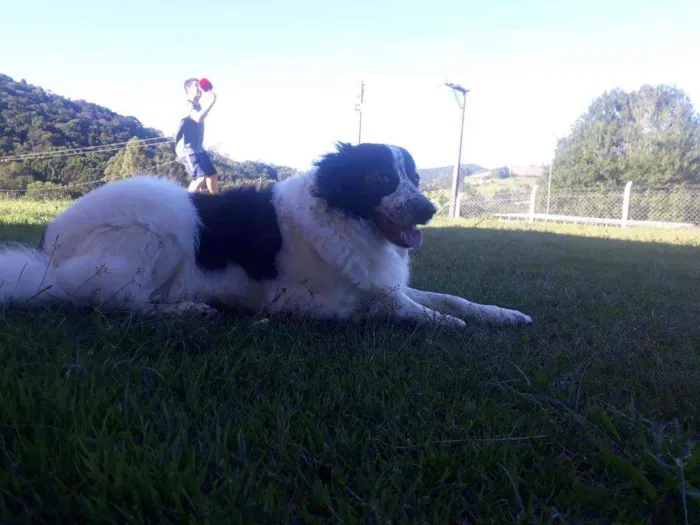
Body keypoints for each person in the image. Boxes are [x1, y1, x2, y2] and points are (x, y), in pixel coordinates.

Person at [174, 78, 218, 193]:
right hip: (187, 149)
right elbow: (198, 118)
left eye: (200, 86)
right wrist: (212, 102)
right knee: (200, 178)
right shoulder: (187, 105)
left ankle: (217, 203)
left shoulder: (198, 106)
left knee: (212, 175)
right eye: (196, 86)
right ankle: (186, 204)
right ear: (189, 90)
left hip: (198, 148)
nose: (200, 89)